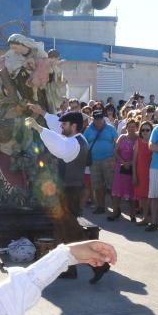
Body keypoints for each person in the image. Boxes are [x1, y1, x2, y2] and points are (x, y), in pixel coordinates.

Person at [26, 112, 111, 283]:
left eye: (64, 125)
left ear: (73, 126)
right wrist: (41, 111)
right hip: (67, 189)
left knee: (71, 232)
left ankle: (100, 264)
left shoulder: (73, 144)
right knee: (61, 230)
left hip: (70, 191)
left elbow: (58, 146)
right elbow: (58, 134)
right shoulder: (75, 139)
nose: (61, 127)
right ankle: (68, 268)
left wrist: (39, 128)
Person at [83, 110, 117, 215]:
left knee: (111, 185)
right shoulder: (88, 130)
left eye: (100, 118)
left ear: (103, 118)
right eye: (96, 118)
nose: (98, 120)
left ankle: (115, 207)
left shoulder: (110, 128)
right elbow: (84, 144)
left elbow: (116, 142)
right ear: (93, 118)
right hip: (94, 161)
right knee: (97, 185)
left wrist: (115, 158)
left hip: (109, 159)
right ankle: (100, 206)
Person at [110, 118, 138, 222]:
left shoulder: (138, 138)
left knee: (132, 191)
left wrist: (130, 163)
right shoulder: (122, 137)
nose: (131, 128)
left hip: (133, 167)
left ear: (136, 127)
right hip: (120, 167)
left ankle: (133, 214)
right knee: (117, 190)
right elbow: (115, 151)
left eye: (133, 127)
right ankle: (115, 212)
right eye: (129, 126)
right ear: (126, 127)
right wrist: (122, 162)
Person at [132, 120, 153, 226]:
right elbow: (134, 160)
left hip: (153, 172)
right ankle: (145, 218)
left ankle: (153, 218)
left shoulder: (154, 143)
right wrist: (134, 175)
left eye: (147, 130)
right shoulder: (138, 142)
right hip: (141, 172)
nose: (145, 132)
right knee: (143, 197)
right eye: (143, 130)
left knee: (153, 196)